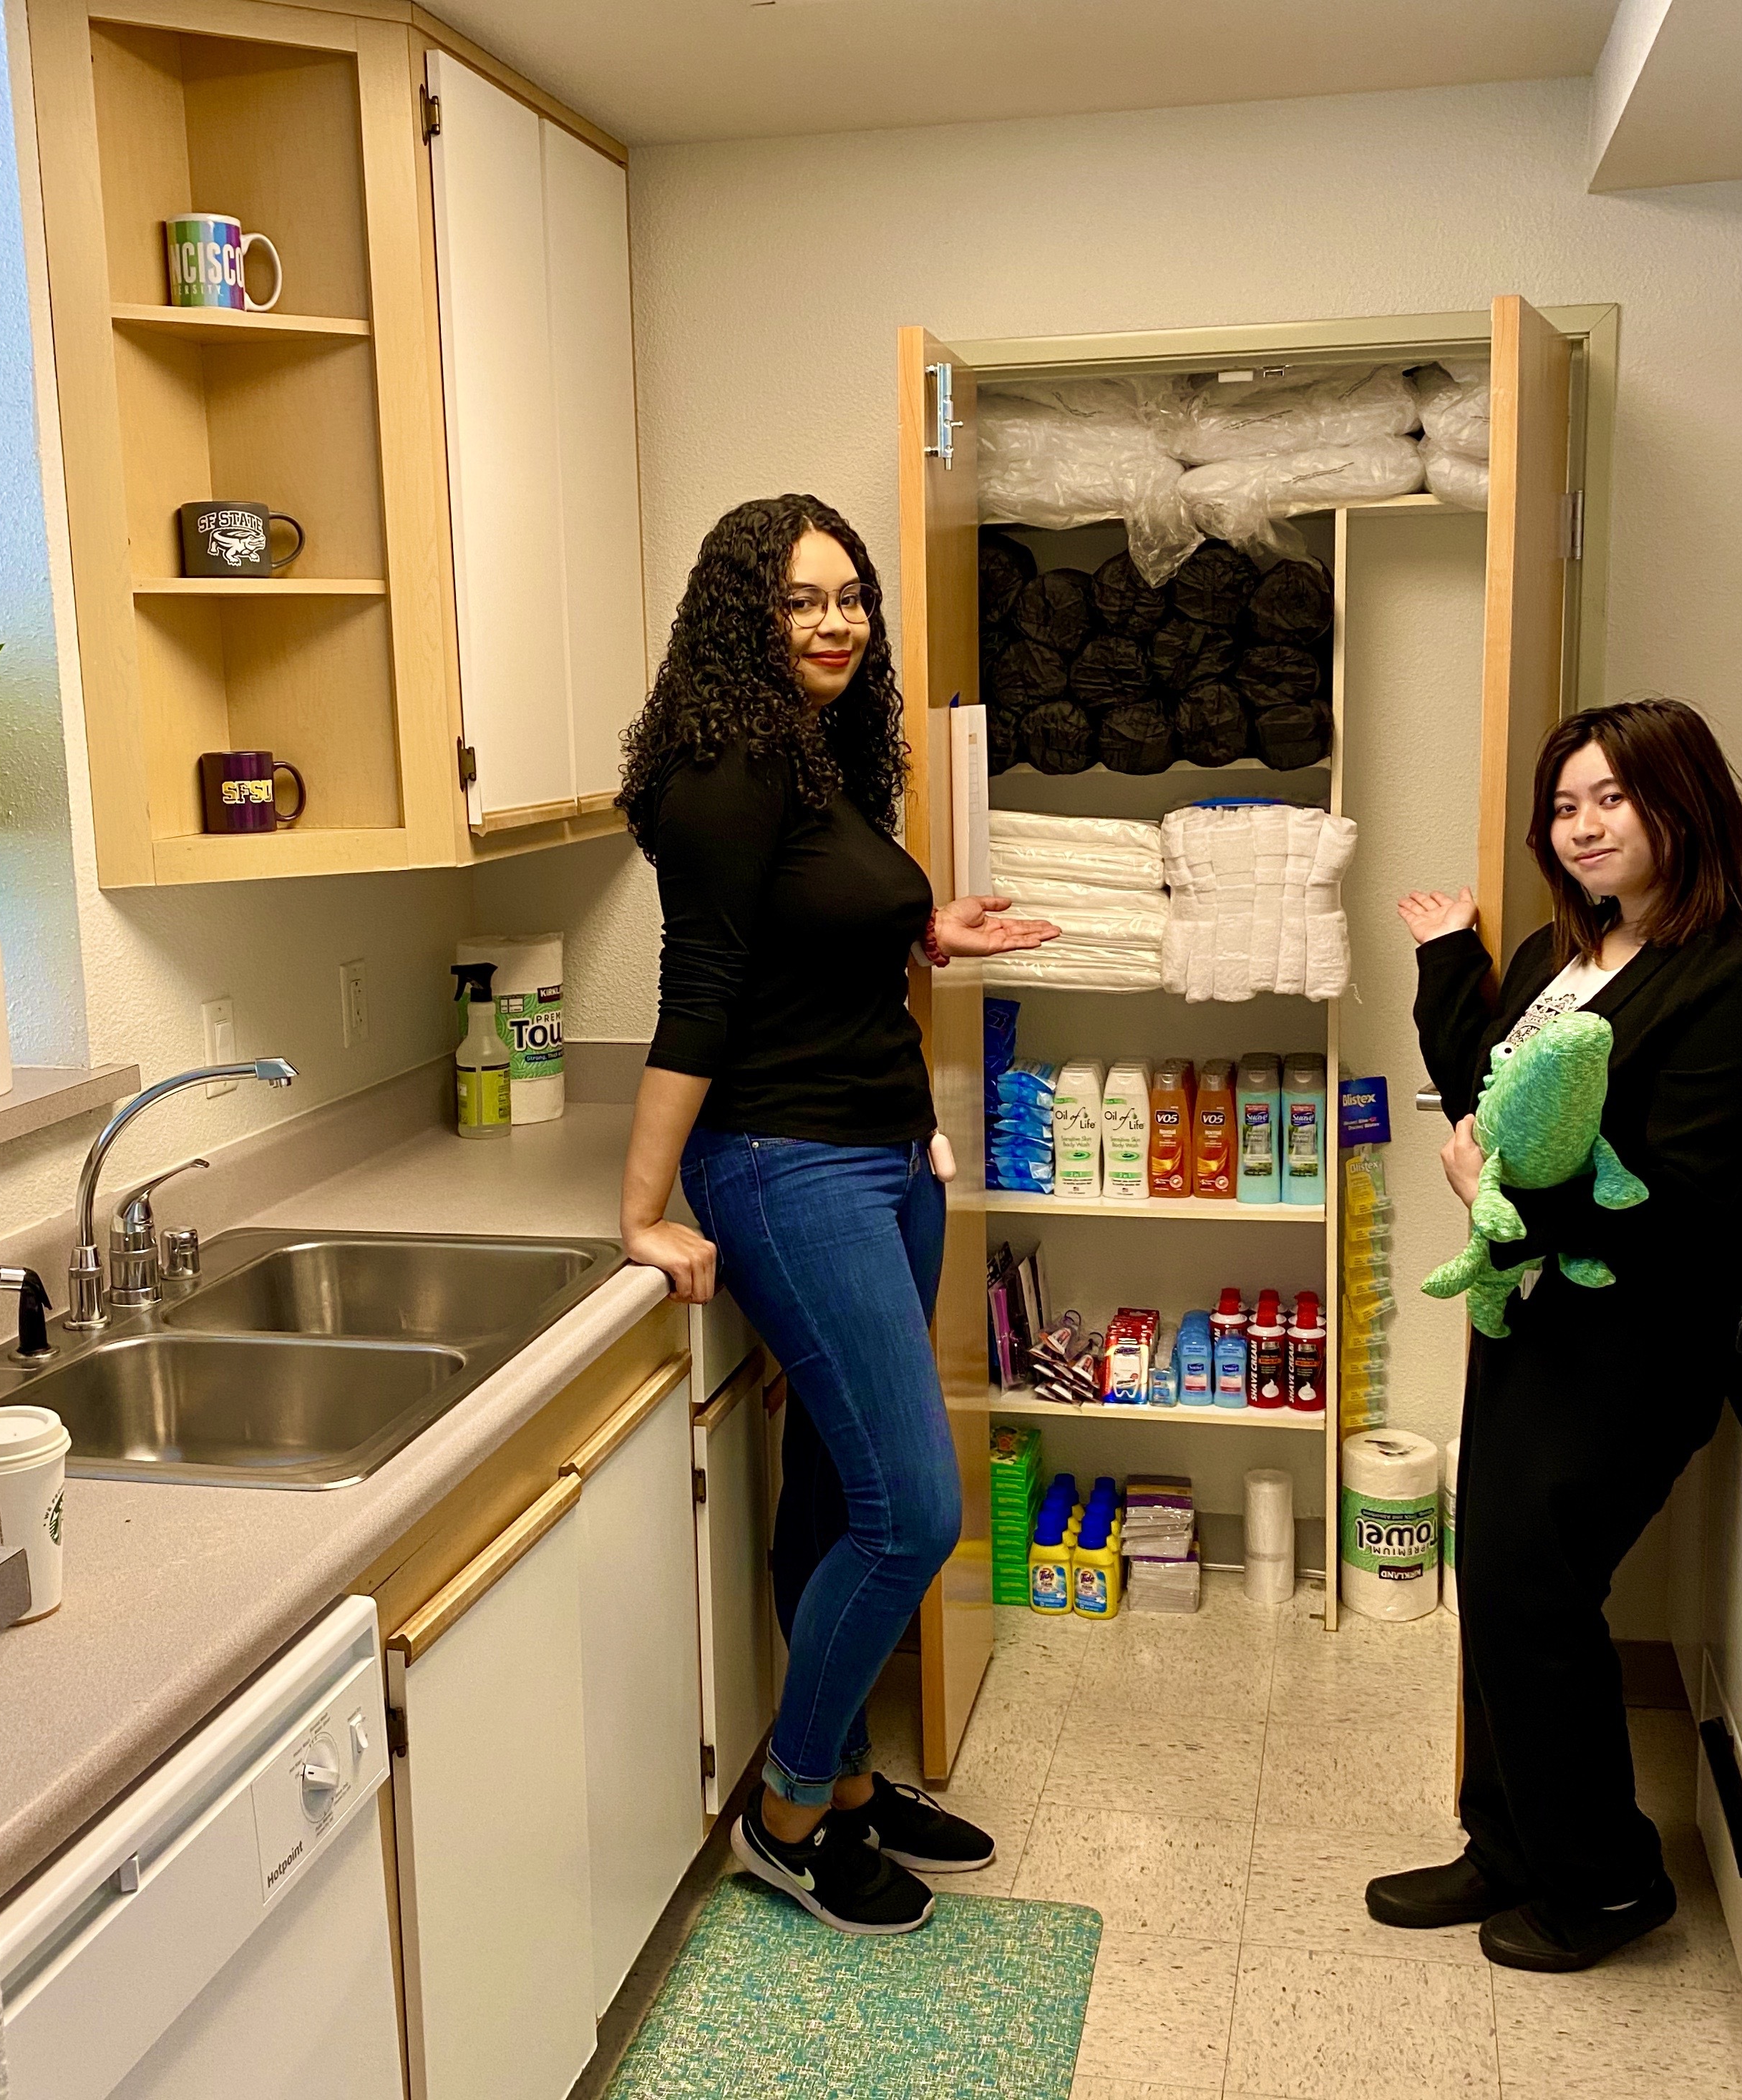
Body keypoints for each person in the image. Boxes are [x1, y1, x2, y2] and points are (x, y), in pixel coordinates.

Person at [615, 494, 1057, 1935]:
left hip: (880, 1155)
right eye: (799, 599)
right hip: (784, 1163)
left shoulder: (819, 757)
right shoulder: (725, 770)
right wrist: (643, 1206)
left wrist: (923, 927)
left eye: (848, 594)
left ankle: (852, 1779)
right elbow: (699, 994)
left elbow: (818, 927)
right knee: (912, 1510)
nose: (832, 622)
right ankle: (790, 1806)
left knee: (832, 1494)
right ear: (741, 613)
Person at [1373, 698, 1742, 1971]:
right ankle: (1508, 1845)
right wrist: (1451, 957)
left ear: (1684, 804)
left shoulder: (1735, 982)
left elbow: (1678, 1193)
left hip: (1631, 1343)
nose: (1581, 824)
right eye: (1563, 806)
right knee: (1503, 1586)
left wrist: (1489, 1197)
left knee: (1534, 1591)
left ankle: (1607, 1884)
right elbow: (1484, 1097)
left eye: (1610, 796)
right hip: (1532, 1319)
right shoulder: (1568, 960)